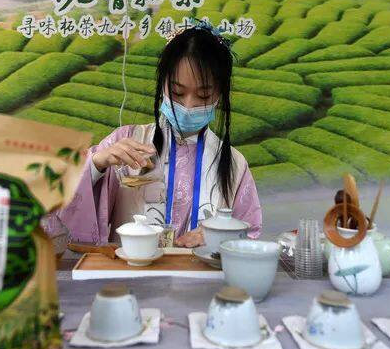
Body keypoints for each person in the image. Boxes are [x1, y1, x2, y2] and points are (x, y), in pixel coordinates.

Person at [45, 19, 262, 248]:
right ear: (163, 85)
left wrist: (219, 237)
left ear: (220, 95)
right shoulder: (125, 143)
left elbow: (250, 233)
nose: (188, 105)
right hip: (129, 280)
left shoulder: (234, 164)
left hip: (200, 282)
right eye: (178, 92)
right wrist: (96, 165)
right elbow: (59, 201)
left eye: (204, 96)